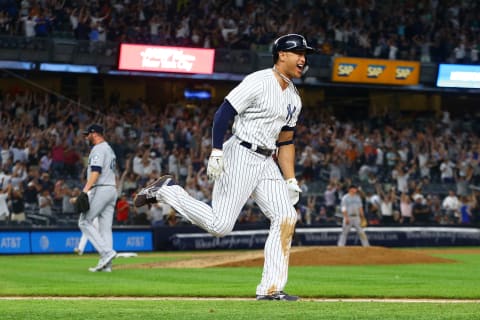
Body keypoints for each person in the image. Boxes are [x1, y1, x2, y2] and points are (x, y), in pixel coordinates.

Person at [134, 34, 316, 301]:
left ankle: (270, 289)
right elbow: (224, 113)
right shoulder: (258, 81)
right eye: (298, 53)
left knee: (287, 216)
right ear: (281, 55)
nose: (303, 59)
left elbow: (286, 141)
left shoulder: (294, 98)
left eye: (304, 54)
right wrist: (217, 150)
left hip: (267, 161)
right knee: (220, 226)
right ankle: (167, 191)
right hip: (240, 153)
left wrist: (290, 180)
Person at [77, 124, 117, 272]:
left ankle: (106, 253)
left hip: (101, 188)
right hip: (111, 188)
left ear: (95, 134)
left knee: (84, 221)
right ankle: (107, 265)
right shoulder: (109, 149)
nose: (86, 137)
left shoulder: (98, 149)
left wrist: (85, 190)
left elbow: (96, 171)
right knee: (105, 229)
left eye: (88, 134)